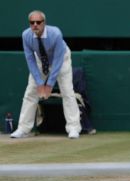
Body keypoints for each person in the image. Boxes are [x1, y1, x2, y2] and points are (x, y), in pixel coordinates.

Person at [10, 10, 81, 139]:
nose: (35, 25)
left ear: (44, 23)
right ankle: (23, 128)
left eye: (38, 22)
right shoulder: (26, 35)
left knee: (67, 92)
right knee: (30, 92)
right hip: (40, 60)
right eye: (32, 22)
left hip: (61, 59)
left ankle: (74, 128)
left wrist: (49, 84)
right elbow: (30, 59)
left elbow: (58, 60)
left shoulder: (56, 34)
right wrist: (39, 82)